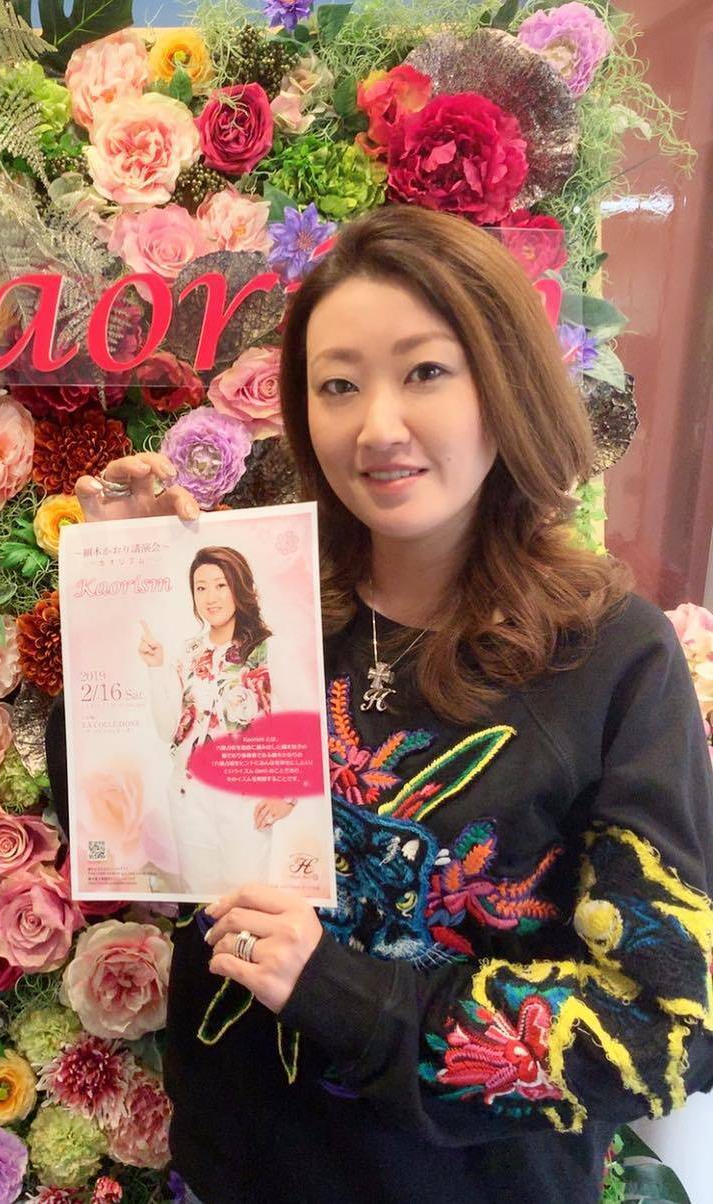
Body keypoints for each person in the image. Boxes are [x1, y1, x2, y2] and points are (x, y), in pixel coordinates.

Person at [45, 204, 713, 1204]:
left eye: (425, 371)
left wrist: (347, 994)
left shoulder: (611, 656)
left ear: (506, 384)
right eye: (339, 385)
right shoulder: (271, 603)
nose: (379, 426)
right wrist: (127, 608)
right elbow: (136, 848)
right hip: (241, 1173)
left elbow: (664, 1030)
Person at [138, 545, 294, 895]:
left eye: (221, 585)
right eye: (201, 587)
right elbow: (167, 730)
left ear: (239, 586)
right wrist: (155, 669)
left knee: (246, 897)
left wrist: (287, 795)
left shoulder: (268, 650)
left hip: (244, 800)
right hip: (188, 796)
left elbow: (291, 720)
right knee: (201, 900)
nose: (210, 597)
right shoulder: (188, 652)